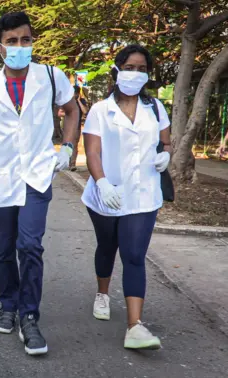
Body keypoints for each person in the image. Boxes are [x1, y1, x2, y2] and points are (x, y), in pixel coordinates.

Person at [0, 12, 79, 356]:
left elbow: (72, 111)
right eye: (11, 41)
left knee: (30, 245)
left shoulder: (51, 76)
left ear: (32, 42)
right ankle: (8, 305)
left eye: (25, 40)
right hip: (0, 176)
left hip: (37, 174)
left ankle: (29, 315)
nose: (19, 47)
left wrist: (69, 148)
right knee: (4, 249)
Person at [82, 45, 171, 350]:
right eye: (130, 67)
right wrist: (102, 182)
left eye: (141, 68)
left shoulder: (156, 108)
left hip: (144, 194)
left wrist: (166, 157)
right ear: (118, 69)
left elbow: (166, 142)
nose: (135, 73)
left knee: (134, 255)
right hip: (106, 193)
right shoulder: (99, 110)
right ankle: (102, 293)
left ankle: (135, 326)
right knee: (108, 247)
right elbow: (92, 150)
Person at [69, 85, 90, 171]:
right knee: (67, 145)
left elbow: (85, 111)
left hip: (76, 127)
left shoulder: (81, 101)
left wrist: (79, 101)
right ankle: (68, 161)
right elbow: (60, 113)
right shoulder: (68, 101)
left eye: (76, 93)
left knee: (74, 145)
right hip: (68, 127)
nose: (74, 95)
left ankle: (72, 164)